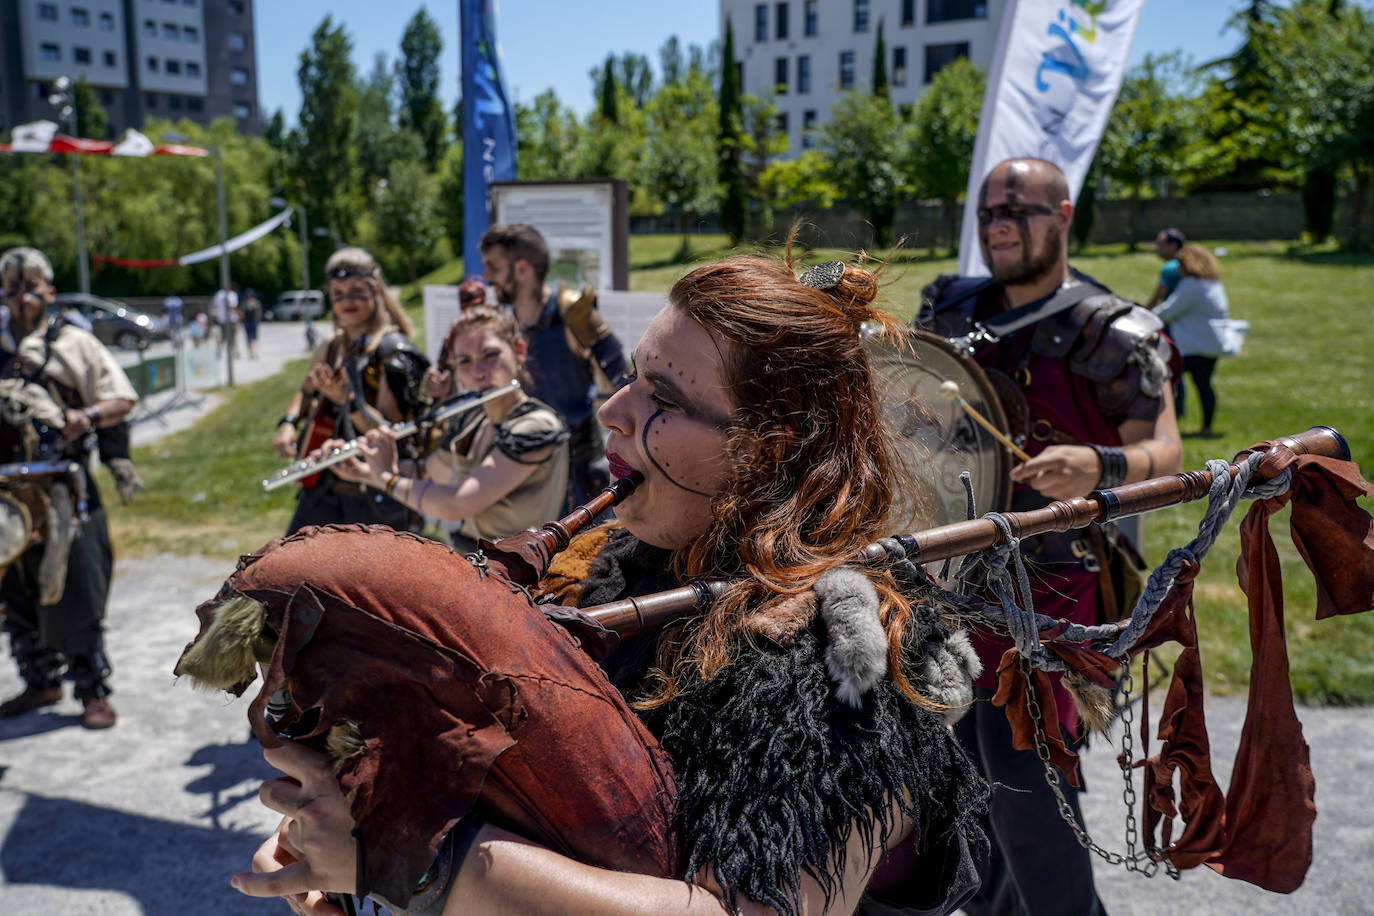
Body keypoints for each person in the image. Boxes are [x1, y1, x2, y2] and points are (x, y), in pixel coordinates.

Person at [228, 252, 992, 916]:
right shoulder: (597, 563)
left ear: (770, 448)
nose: (612, 412)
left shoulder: (854, 656)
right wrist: (338, 833)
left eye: (664, 398)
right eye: (632, 376)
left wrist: (413, 862)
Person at [916, 157, 1183, 916]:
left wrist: (1099, 463)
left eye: (1019, 211)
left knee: (1027, 793)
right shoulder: (952, 310)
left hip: (1053, 597)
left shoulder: (1111, 329)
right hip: (953, 586)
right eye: (989, 212)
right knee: (964, 800)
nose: (999, 224)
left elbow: (1165, 452)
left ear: (1063, 216)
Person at [0, 247, 139, 730]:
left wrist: (87, 418)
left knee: (77, 590)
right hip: (6, 496)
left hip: (61, 488)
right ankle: (41, 681)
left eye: (31, 286)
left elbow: (121, 398)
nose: (22, 295)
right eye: (14, 287)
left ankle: (91, 691)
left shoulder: (75, 343)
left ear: (49, 292)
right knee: (13, 592)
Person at [327, 305, 569, 553]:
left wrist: (387, 478)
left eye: (490, 355)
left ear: (518, 351)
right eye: (464, 361)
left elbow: (457, 503)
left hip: (516, 578)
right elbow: (429, 473)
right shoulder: (474, 421)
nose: (478, 372)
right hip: (472, 563)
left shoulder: (535, 426)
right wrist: (364, 469)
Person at [271, 247, 429, 535]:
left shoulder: (393, 351)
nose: (347, 301)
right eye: (339, 293)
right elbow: (306, 391)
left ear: (375, 289)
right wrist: (288, 423)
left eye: (356, 291)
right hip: (324, 486)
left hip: (372, 493)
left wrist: (348, 401)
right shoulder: (332, 345)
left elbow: (393, 433)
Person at [479, 223, 629, 509]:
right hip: (523, 466)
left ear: (522, 269)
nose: (485, 277)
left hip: (580, 476)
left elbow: (625, 383)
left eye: (493, 267)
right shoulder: (503, 325)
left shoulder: (572, 313)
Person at [1154, 243, 1231, 437]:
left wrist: (1145, 317)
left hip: (1190, 346)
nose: (1178, 269)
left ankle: (1167, 428)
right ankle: (1207, 427)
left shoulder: (1191, 285)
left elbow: (1169, 310)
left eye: (1180, 264)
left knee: (1168, 383)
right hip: (1210, 344)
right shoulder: (1213, 283)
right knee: (1204, 385)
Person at [1143, 227, 1186, 310]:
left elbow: (1156, 300)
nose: (1157, 247)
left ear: (1173, 246)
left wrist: (1143, 313)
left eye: (1161, 244)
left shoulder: (1170, 267)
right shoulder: (1190, 264)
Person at [212, 282, 241, 358]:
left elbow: (215, 306)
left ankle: (219, 351)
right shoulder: (233, 295)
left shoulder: (218, 294)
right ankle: (234, 352)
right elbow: (232, 307)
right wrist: (239, 316)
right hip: (231, 319)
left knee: (222, 336)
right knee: (233, 336)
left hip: (221, 318)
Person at [240, 288, 263, 359]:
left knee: (254, 338)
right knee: (249, 338)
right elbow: (242, 313)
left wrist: (258, 320)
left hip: (253, 321)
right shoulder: (245, 303)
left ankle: (253, 352)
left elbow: (259, 312)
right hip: (247, 321)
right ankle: (251, 352)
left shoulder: (255, 303)